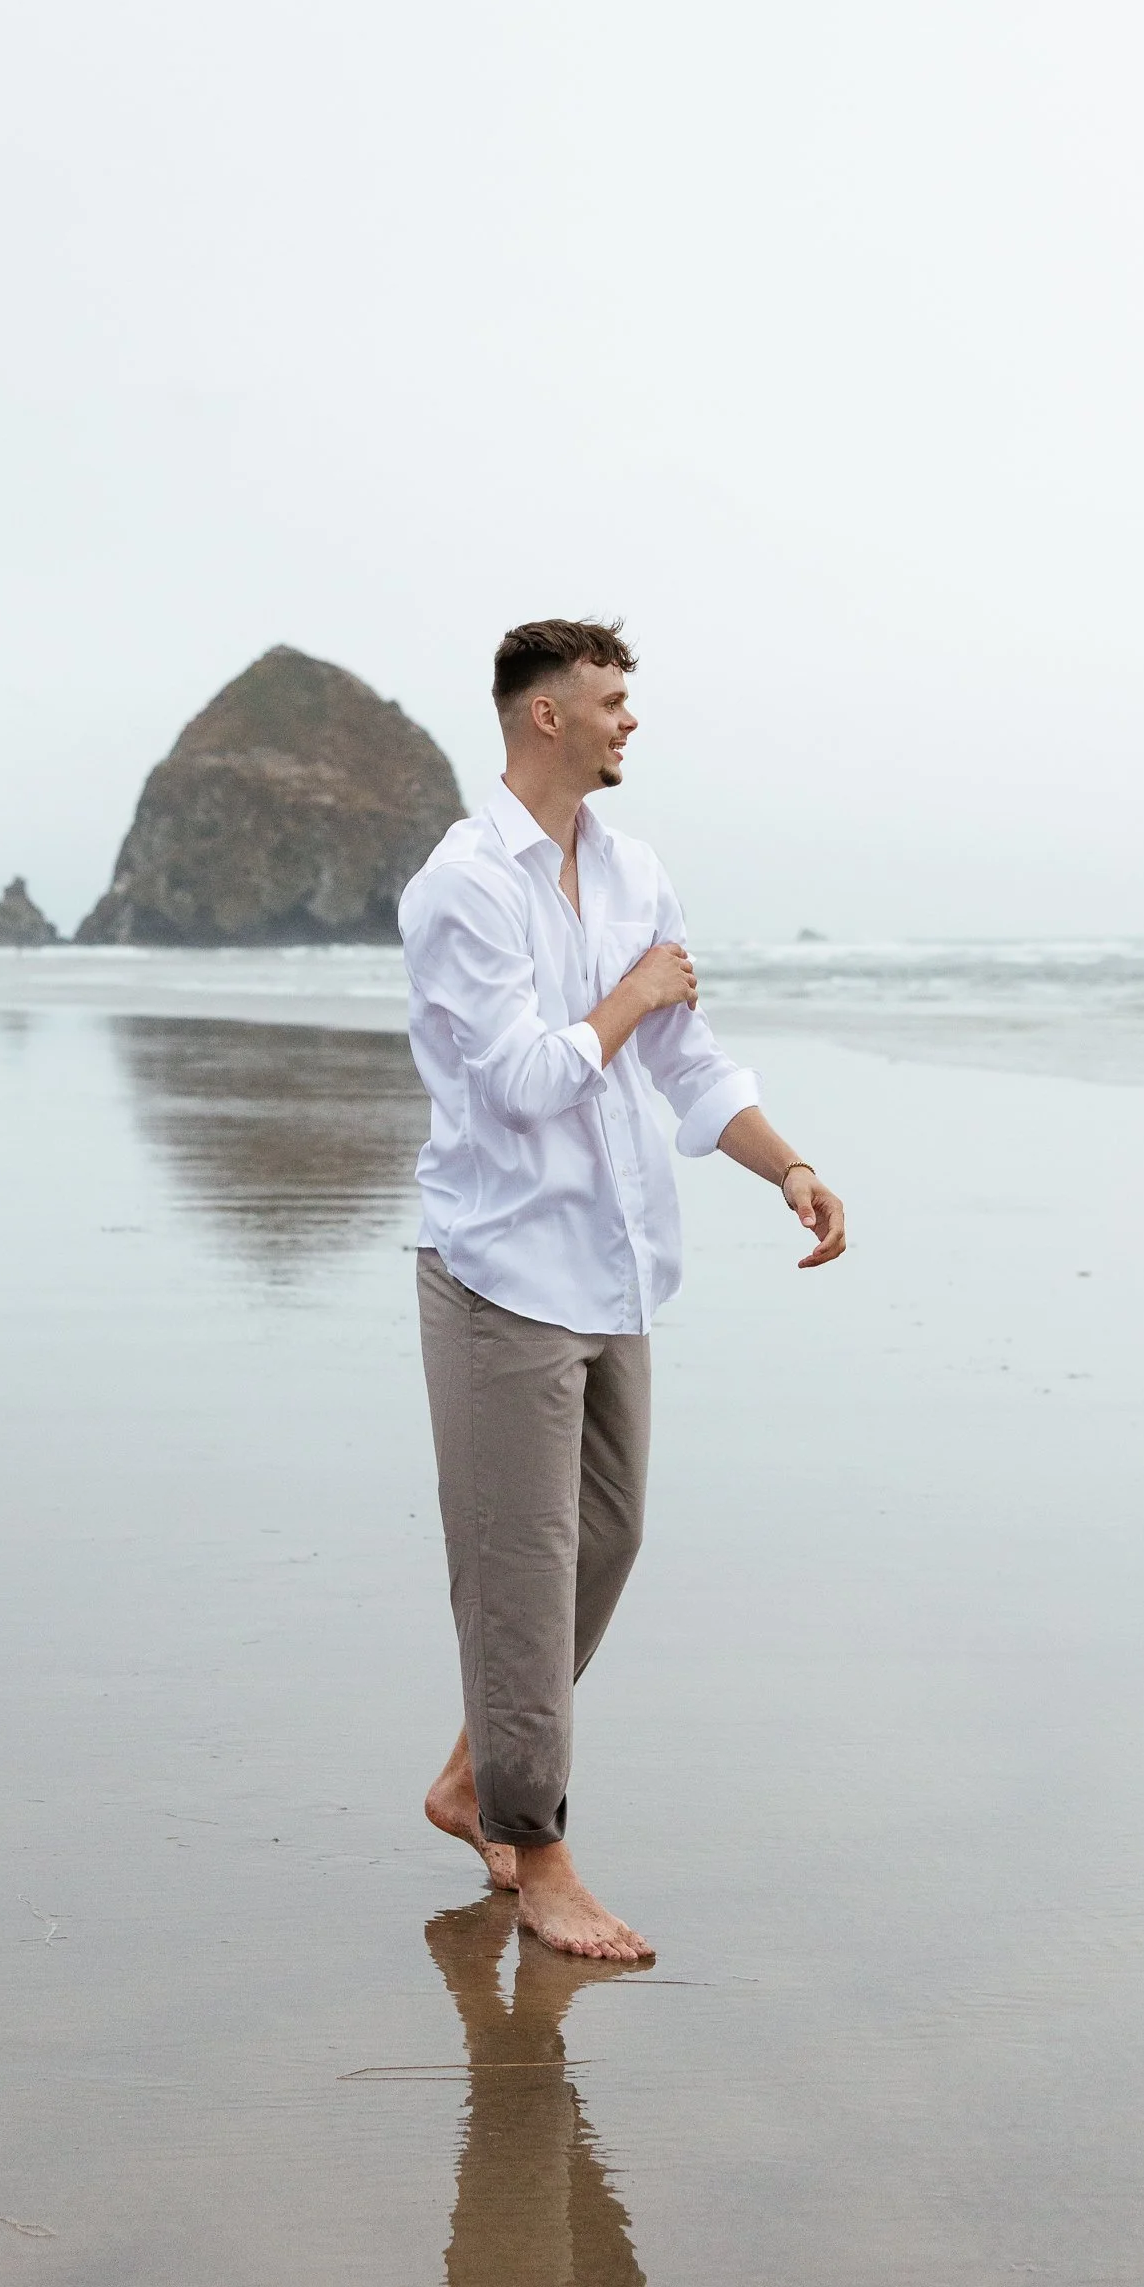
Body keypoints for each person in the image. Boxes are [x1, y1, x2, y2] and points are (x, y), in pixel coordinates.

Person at [401, 617, 846, 1960]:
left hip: (614, 1269)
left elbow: (688, 1063)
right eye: (609, 700)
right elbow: (527, 1082)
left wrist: (786, 1165)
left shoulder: (638, 872)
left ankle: (477, 1773)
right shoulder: (462, 886)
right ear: (545, 717)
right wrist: (629, 995)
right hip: (499, 1273)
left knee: (608, 1539)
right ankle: (536, 1852)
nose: (628, 720)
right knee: (523, 1572)